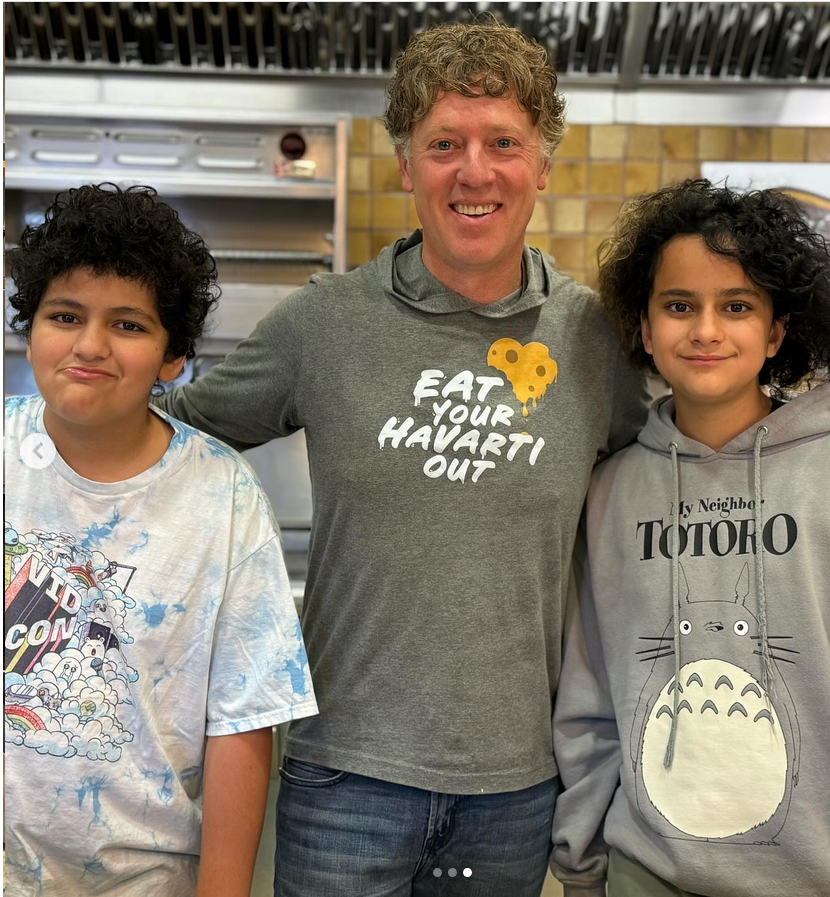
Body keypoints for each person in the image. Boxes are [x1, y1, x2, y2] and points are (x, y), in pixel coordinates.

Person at [155, 18, 651, 897]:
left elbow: (687, 455)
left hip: (515, 787)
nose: (473, 171)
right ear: (404, 165)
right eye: (443, 144)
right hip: (343, 777)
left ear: (541, 165)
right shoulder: (325, 324)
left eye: (503, 142)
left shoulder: (593, 338)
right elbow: (170, 434)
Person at [550, 179, 830, 897]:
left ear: (775, 332)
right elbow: (589, 691)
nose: (705, 329)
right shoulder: (608, 492)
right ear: (643, 329)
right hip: (644, 873)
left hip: (826, 879)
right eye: (679, 306)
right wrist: (582, 861)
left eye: (735, 306)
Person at [3, 184, 318, 897]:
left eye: (128, 324)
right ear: (31, 328)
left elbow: (241, 720)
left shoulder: (221, 495)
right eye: (65, 315)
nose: (89, 344)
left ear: (173, 357)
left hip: (146, 881)